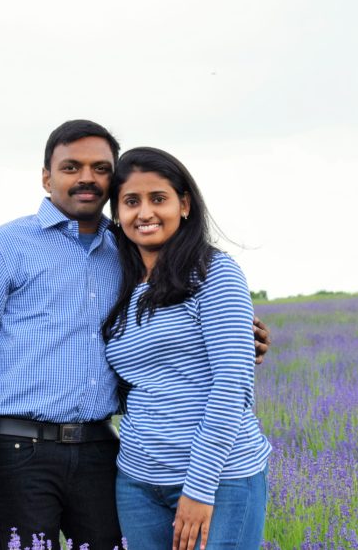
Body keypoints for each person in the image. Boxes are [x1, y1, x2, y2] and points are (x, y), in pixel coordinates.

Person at [0, 121, 269, 549]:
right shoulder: (4, 247)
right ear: (46, 177)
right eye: (70, 167)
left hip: (102, 451)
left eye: (100, 168)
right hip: (21, 451)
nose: (86, 178)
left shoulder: (126, 250)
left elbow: (197, 341)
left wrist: (239, 339)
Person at [103, 147, 272, 550]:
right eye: (131, 202)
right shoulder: (122, 285)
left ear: (184, 205)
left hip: (219, 480)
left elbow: (232, 386)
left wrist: (198, 488)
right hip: (138, 482)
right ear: (118, 214)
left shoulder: (215, 273)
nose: (144, 213)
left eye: (157, 199)